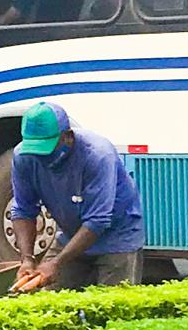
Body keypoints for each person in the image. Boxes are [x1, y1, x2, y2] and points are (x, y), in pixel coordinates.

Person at [10, 101, 145, 289]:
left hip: (117, 238)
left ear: (68, 137)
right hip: (71, 236)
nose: (40, 157)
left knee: (113, 303)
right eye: (35, 150)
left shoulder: (97, 155)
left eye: (47, 149)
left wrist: (56, 263)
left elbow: (97, 220)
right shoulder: (23, 157)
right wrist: (27, 259)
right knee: (48, 298)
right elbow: (23, 211)